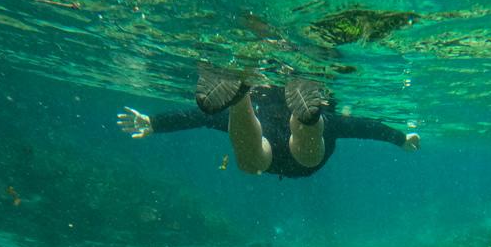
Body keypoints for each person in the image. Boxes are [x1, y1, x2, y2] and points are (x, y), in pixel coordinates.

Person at [117, 68, 420, 179]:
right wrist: (399, 139)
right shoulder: (335, 119)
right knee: (307, 146)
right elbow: (364, 127)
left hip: (266, 152)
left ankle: (240, 98)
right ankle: (307, 118)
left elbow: (201, 117)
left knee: (250, 161)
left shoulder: (265, 107)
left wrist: (155, 122)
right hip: (304, 161)